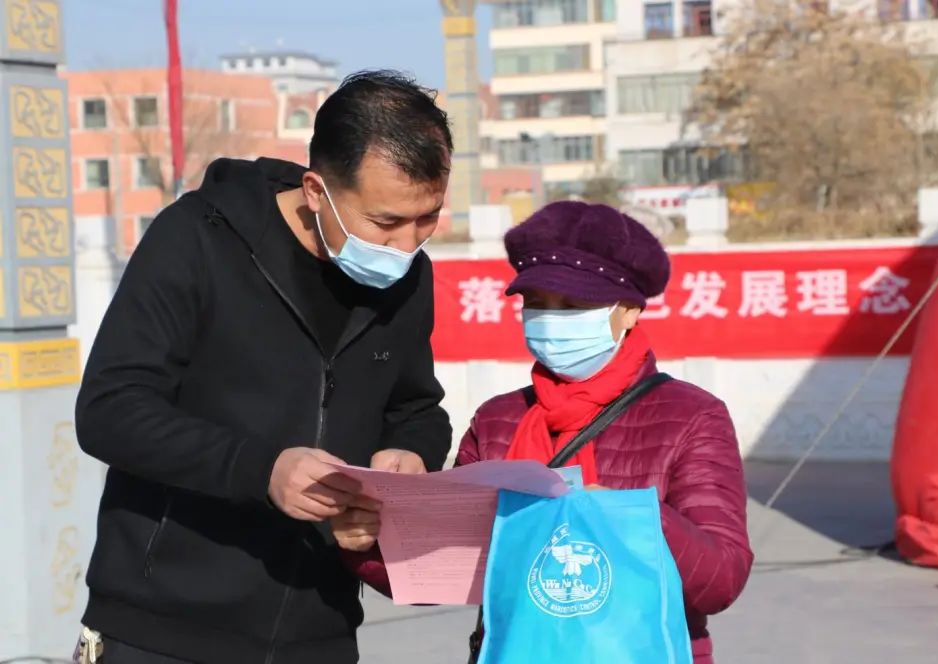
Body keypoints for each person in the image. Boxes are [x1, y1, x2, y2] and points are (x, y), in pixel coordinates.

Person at [74, 70, 452, 664]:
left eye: (427, 218)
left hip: (320, 628)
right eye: (385, 223)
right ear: (316, 191)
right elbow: (109, 410)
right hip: (162, 629)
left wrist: (409, 456)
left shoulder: (408, 278)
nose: (407, 246)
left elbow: (416, 407)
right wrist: (259, 470)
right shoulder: (197, 239)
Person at [332, 201, 754, 663]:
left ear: (630, 310)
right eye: (536, 303)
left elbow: (721, 580)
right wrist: (370, 543)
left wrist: (626, 518)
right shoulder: (498, 421)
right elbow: (456, 571)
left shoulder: (691, 417)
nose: (551, 320)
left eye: (573, 305)